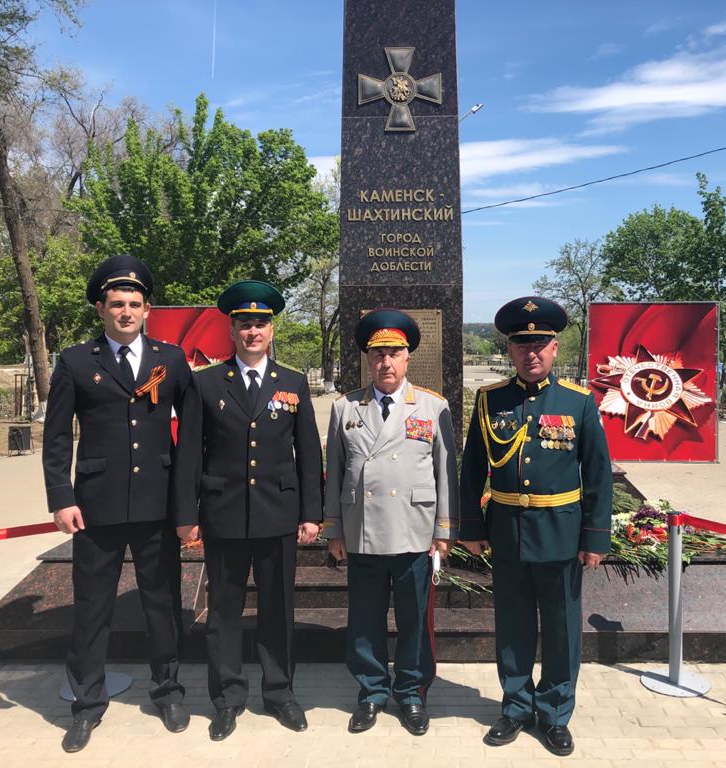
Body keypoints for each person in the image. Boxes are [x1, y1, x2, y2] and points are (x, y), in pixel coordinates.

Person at [42, 254, 194, 753]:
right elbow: (58, 436)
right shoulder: (75, 361)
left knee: (162, 603)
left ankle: (168, 689)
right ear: (102, 310)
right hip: (96, 504)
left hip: (157, 503)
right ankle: (86, 704)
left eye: (134, 304)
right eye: (116, 304)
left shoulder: (170, 361)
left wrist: (187, 506)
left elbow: (190, 435)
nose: (126, 312)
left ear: (147, 309)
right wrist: (61, 498)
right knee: (92, 607)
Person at [459, 296, 612, 757]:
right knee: (513, 624)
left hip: (562, 534)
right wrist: (472, 525)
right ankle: (515, 706)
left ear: (554, 348)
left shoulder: (579, 402)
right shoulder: (490, 400)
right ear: (509, 349)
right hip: (506, 529)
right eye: (522, 343)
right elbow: (472, 469)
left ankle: (555, 712)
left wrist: (594, 536)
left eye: (540, 343)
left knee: (563, 629)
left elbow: (598, 472)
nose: (531, 352)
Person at [173, 280, 323, 741]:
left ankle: (279, 693)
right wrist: (186, 513)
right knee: (224, 613)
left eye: (260, 323)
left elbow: (309, 453)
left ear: (271, 329)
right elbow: (190, 455)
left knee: (277, 611)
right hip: (224, 513)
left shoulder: (293, 383)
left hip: (278, 515)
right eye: (244, 324)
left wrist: (311, 513)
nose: (252, 331)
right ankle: (228, 698)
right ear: (232, 330)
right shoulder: (206, 382)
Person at [323, 309, 457, 736]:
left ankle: (413, 692)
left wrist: (443, 530)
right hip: (362, 530)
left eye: (394, 353)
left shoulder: (434, 407)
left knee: (415, 618)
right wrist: (334, 529)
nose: (385, 362)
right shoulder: (345, 407)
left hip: (414, 530)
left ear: (408, 358)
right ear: (367, 358)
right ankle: (371, 692)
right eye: (377, 353)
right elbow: (335, 470)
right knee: (365, 618)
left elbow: (445, 473)